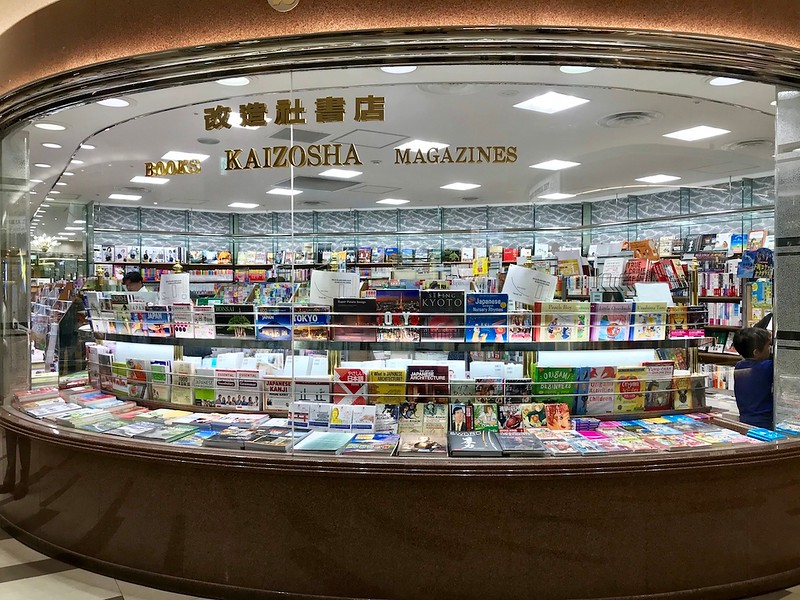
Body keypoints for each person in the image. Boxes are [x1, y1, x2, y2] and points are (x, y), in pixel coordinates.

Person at [732, 327, 774, 429]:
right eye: (768, 346)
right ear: (756, 352)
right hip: (764, 421)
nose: (771, 348)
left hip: (745, 419)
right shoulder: (767, 367)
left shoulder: (739, 366)